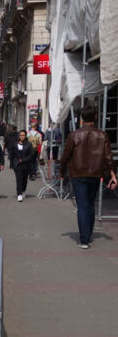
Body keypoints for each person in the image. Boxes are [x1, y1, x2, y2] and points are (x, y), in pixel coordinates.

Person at [60, 106, 117, 249]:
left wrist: (62, 172)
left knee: (82, 205)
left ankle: (84, 239)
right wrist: (113, 174)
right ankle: (88, 233)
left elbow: (65, 156)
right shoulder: (103, 135)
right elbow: (108, 157)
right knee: (90, 203)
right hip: (95, 173)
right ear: (96, 117)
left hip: (78, 173)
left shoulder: (74, 135)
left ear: (81, 118)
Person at [8, 130, 36, 202]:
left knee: (24, 179)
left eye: (23, 135)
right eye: (20, 135)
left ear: (25, 136)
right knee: (19, 179)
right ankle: (19, 194)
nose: (22, 137)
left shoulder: (29, 144)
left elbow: (31, 155)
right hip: (17, 165)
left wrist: (23, 160)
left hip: (26, 164)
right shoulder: (15, 144)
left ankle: (23, 190)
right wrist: (11, 164)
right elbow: (12, 155)